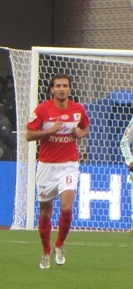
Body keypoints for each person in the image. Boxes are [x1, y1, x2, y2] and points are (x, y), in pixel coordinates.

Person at [25, 73, 90, 269]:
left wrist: (81, 133)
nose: (62, 89)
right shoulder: (42, 109)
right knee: (46, 212)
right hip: (46, 167)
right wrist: (50, 131)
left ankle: (60, 245)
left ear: (70, 89)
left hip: (69, 165)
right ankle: (46, 250)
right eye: (58, 86)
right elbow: (29, 135)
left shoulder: (78, 109)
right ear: (52, 89)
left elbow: (85, 128)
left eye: (65, 86)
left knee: (67, 208)